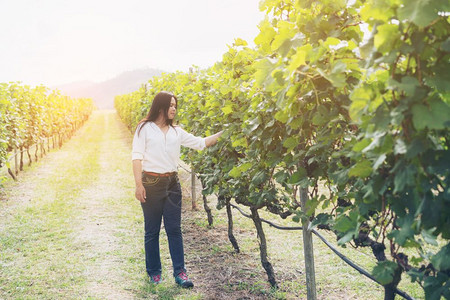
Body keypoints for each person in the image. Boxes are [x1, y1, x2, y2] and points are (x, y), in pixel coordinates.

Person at [131, 91, 222, 288]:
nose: (174, 109)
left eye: (175, 106)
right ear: (161, 106)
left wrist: (224, 134)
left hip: (172, 184)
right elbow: (136, 157)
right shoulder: (144, 128)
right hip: (151, 183)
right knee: (152, 231)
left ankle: (180, 273)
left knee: (174, 229)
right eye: (171, 105)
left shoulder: (176, 132)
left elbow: (200, 143)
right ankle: (154, 273)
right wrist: (139, 185)